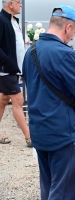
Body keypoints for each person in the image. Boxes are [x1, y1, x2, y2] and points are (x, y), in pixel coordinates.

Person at [22, 5, 75, 199]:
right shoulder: (64, 53)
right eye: (74, 31)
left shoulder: (30, 52)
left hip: (39, 129)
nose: (73, 36)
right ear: (68, 27)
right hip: (62, 133)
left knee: (48, 188)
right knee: (62, 192)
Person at [0, 0, 31, 147]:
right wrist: (9, 63)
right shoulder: (1, 20)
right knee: (18, 99)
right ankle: (29, 137)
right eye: (19, 2)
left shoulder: (14, 21)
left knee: (3, 101)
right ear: (10, 4)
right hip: (6, 70)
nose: (21, 5)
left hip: (14, 69)